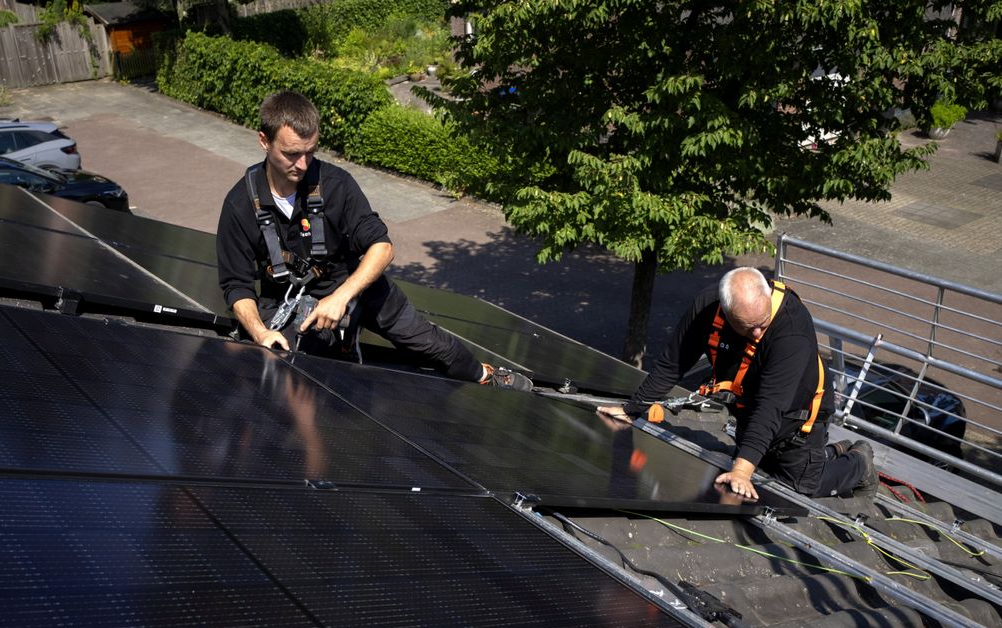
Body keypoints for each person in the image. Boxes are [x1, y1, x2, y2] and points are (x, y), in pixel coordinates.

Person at [216, 90, 532, 391]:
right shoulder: (240, 205)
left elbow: (382, 248)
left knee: (435, 346)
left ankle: (485, 375)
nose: (302, 164)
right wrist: (259, 332)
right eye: (291, 154)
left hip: (359, 289)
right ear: (264, 141)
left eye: (310, 153)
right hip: (289, 303)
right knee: (289, 370)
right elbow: (237, 284)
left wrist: (340, 297)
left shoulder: (336, 186)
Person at [598, 267, 878, 500]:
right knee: (764, 467)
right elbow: (674, 363)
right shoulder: (707, 308)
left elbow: (772, 406)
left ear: (767, 297)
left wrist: (742, 471)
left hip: (797, 416)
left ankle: (859, 463)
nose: (757, 332)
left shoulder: (791, 329)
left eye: (762, 322)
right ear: (726, 311)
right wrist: (633, 408)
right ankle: (830, 453)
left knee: (802, 487)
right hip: (749, 407)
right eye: (747, 326)